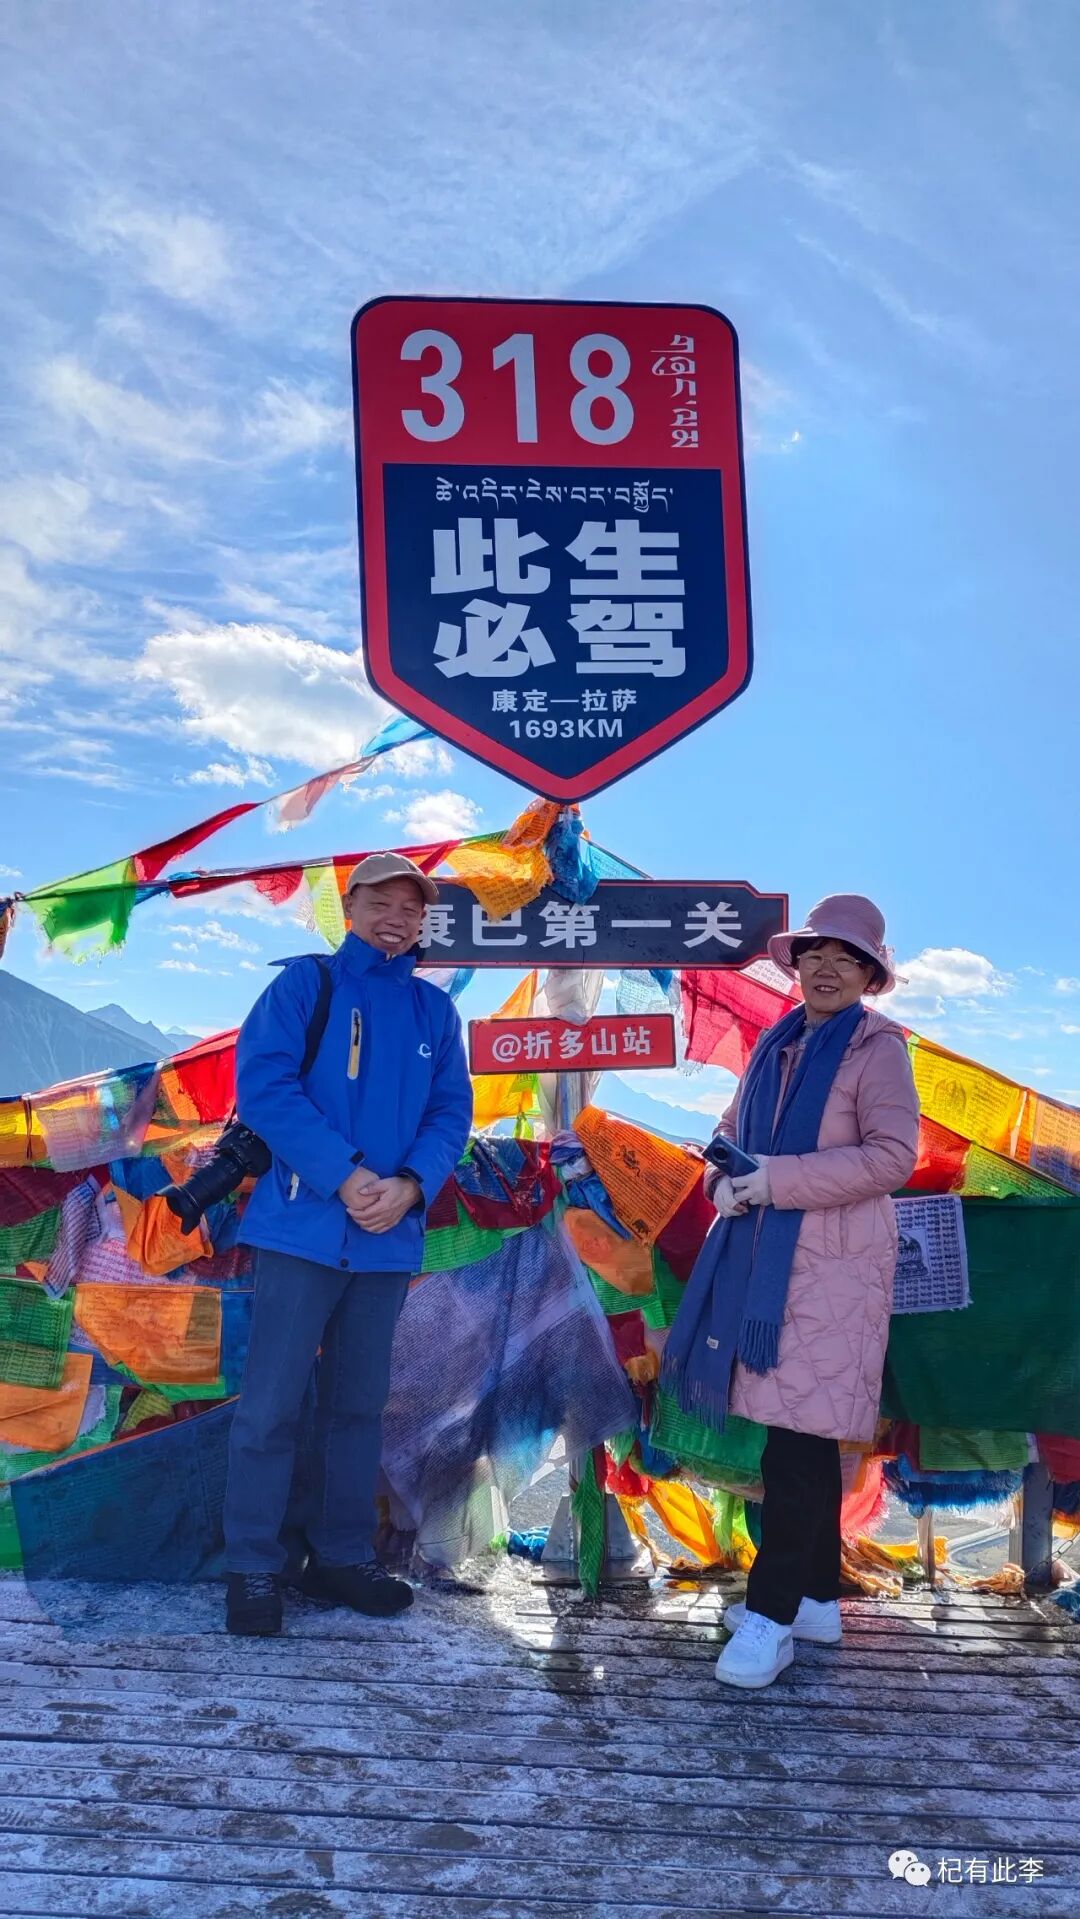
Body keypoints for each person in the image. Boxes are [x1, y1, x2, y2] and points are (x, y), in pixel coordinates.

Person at [661, 894, 919, 1689]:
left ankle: (769, 1617)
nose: (827, 967)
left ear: (870, 976)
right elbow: (727, 1133)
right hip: (771, 1264)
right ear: (797, 963)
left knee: (801, 1447)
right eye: (816, 953)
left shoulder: (879, 1048)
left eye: (847, 957)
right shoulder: (778, 1042)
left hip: (833, 1273)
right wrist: (724, 1182)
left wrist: (774, 1180)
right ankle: (814, 1601)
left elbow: (892, 1157)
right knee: (796, 1438)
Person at [222, 852, 473, 1637]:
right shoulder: (306, 985)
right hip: (300, 1229)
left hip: (386, 1239)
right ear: (351, 906)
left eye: (411, 908)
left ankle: (340, 1555)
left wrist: (410, 1186)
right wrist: (345, 1175)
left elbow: (451, 1115)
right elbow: (264, 1088)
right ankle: (253, 1565)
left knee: (358, 1407)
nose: (396, 918)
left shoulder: (436, 1014)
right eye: (381, 903)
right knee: (269, 1406)